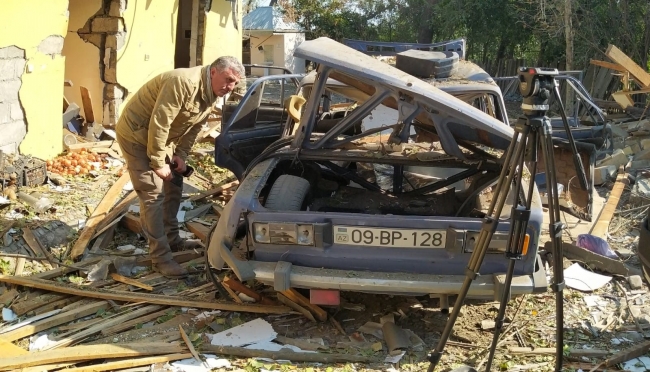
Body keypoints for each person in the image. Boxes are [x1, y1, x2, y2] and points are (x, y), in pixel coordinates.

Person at [116, 56, 245, 278]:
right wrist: (157, 162)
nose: (230, 87)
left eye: (234, 82)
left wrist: (180, 155)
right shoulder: (182, 82)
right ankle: (161, 258)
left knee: (174, 183)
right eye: (228, 80)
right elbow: (160, 122)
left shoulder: (210, 92)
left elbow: (194, 127)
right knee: (153, 195)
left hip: (161, 139)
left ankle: (173, 240)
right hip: (136, 136)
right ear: (213, 72)